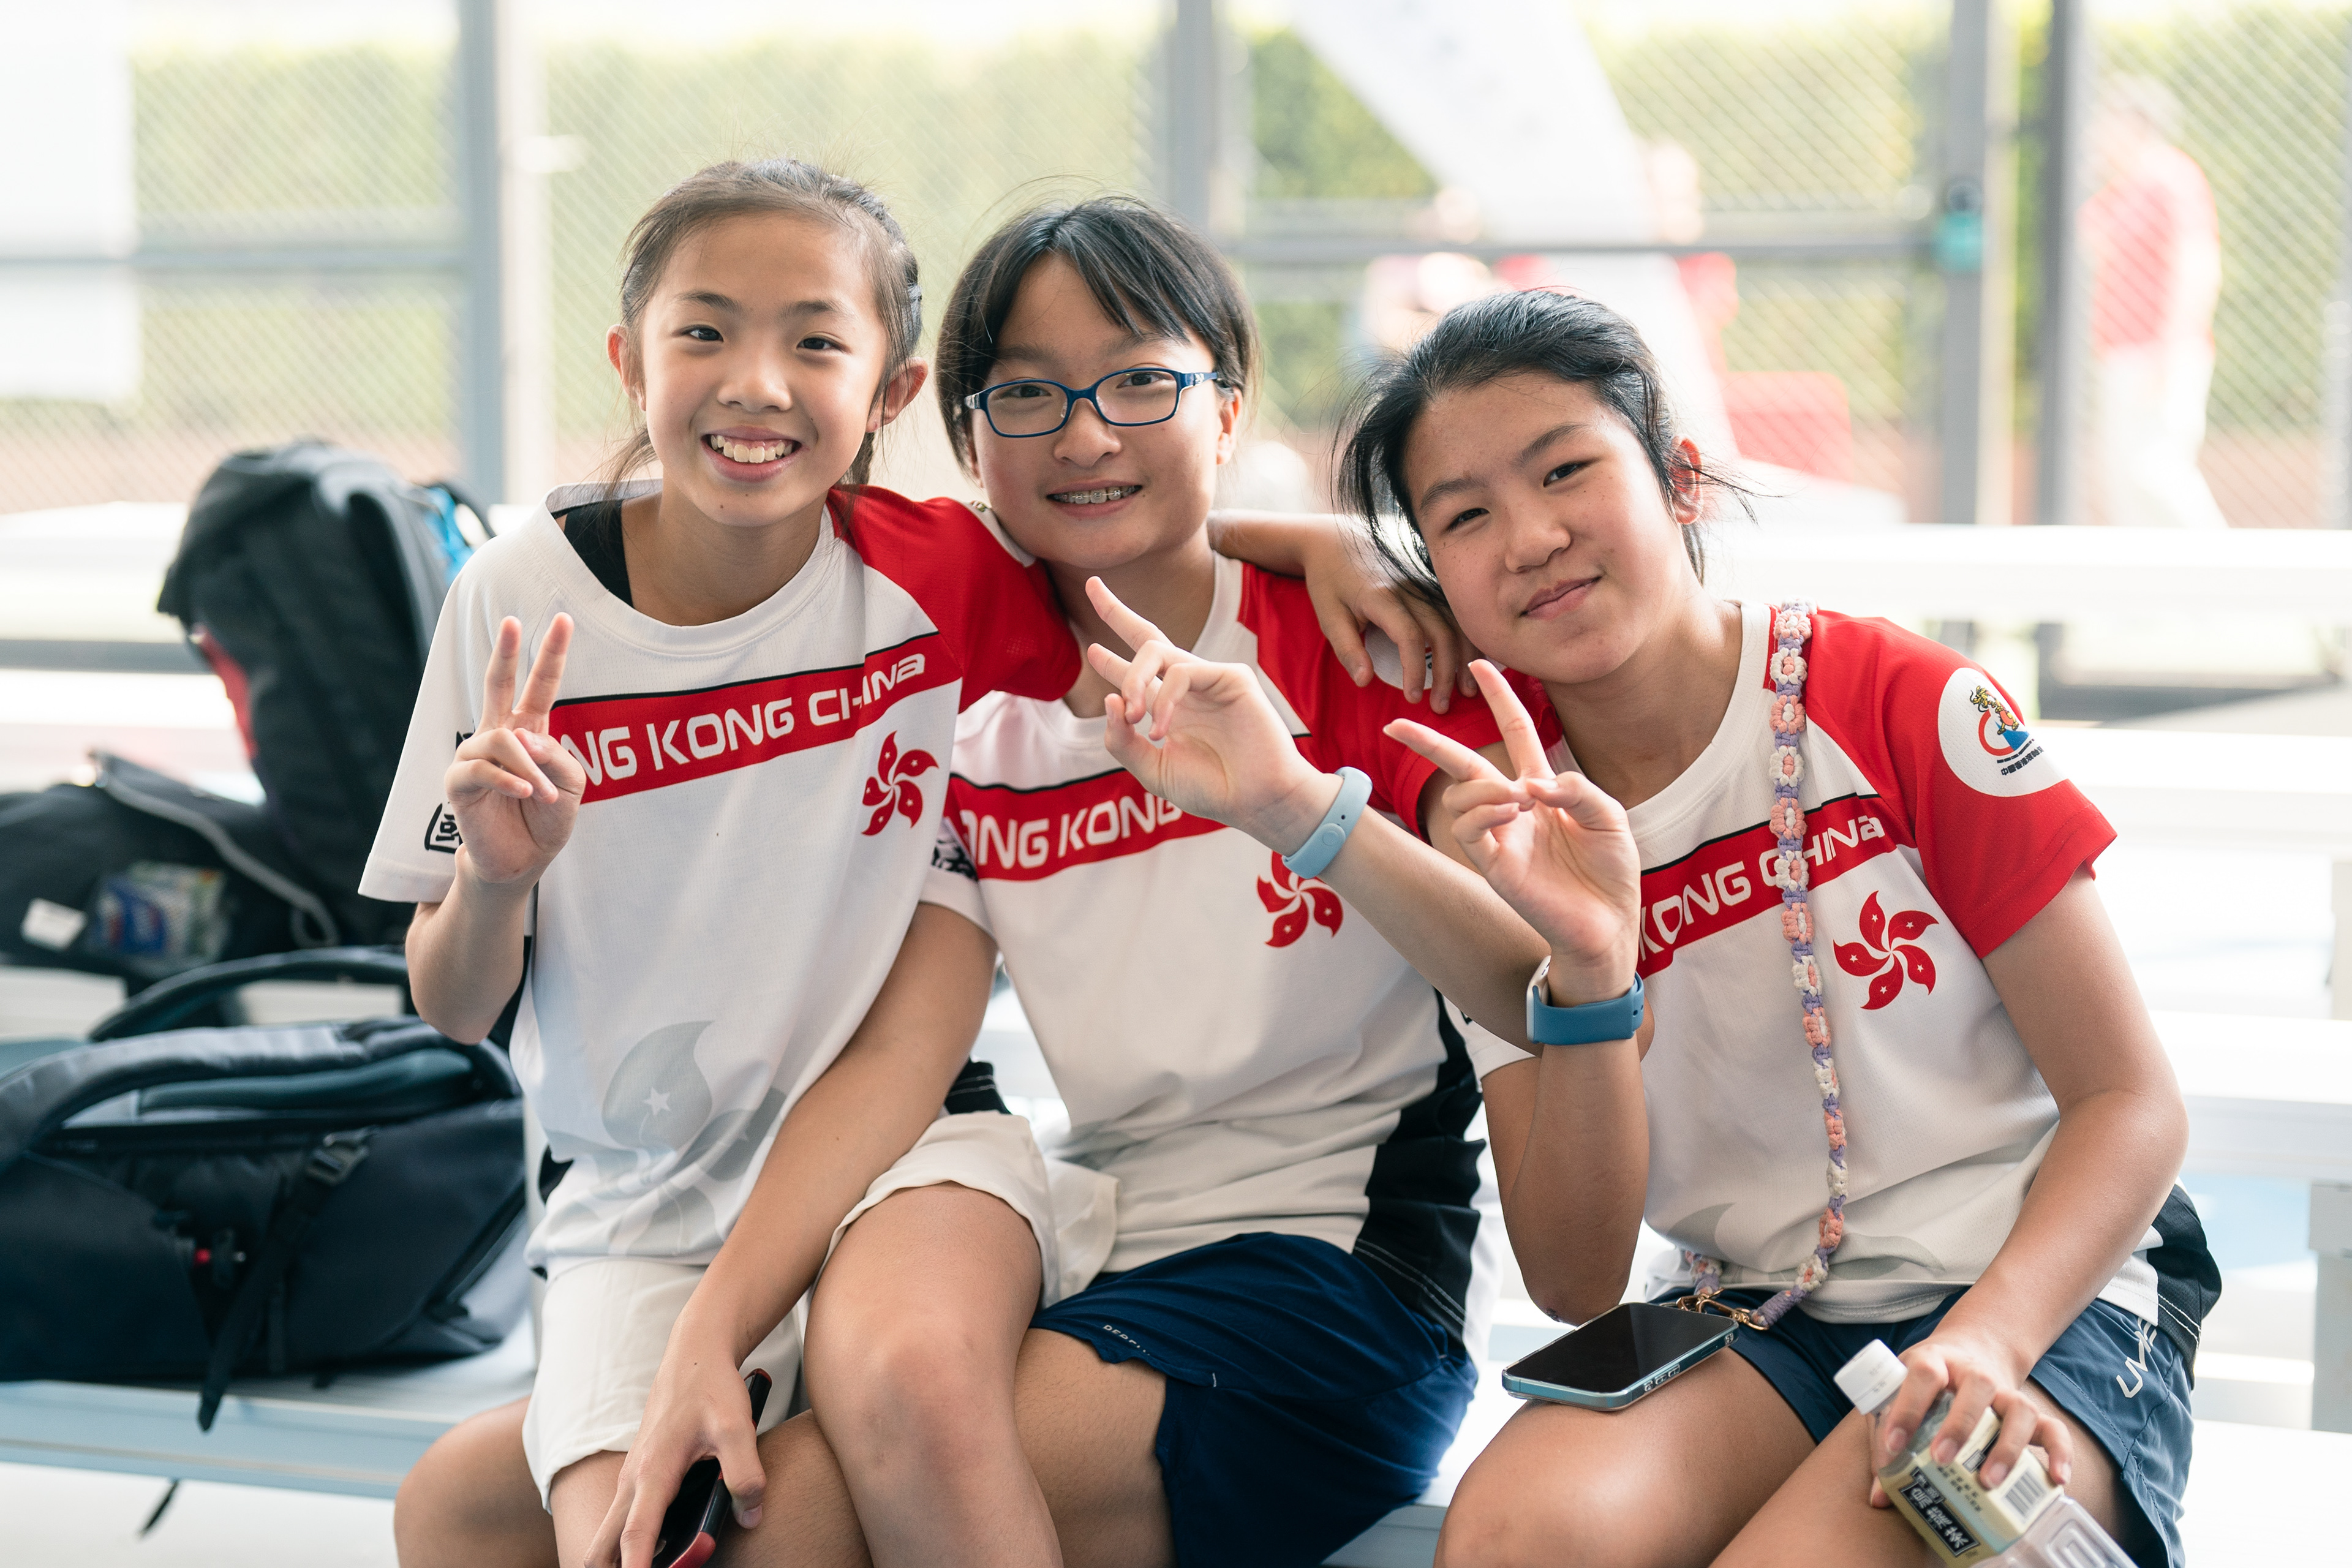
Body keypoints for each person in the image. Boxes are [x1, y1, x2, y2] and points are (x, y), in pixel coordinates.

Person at [378, 164, 1468, 1568]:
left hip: (1169, 1218)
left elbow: (1143, 552)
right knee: (474, 1508)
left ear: (884, 392)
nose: (756, 381)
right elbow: (458, 998)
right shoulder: (553, 606)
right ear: (629, 359)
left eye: (813, 339)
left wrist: (1326, 541)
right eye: (1028, 393)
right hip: (696, 1204)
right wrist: (495, 878)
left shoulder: (969, 593)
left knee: (823, 1472)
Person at [1344, 288, 2216, 1567]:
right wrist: (1589, 970)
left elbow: (2132, 1101)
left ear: (1680, 480)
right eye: (1464, 515)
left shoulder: (1899, 701)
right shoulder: (1495, 830)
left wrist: (1988, 1336)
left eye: (1566, 470)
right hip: (1761, 1304)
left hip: (2043, 1291)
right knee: (1518, 1535)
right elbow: (1577, 1276)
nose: (1529, 537)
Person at [2083, 75, 2226, 530]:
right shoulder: (2123, 187)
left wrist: (2170, 351)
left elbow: (2197, 266)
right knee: (2123, 482)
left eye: (2107, 122)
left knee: (2156, 471)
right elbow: (2089, 237)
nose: (2097, 132)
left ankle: (2226, 566)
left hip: (2159, 351)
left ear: (2135, 123)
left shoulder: (2172, 178)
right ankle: (2145, 581)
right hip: (2122, 352)